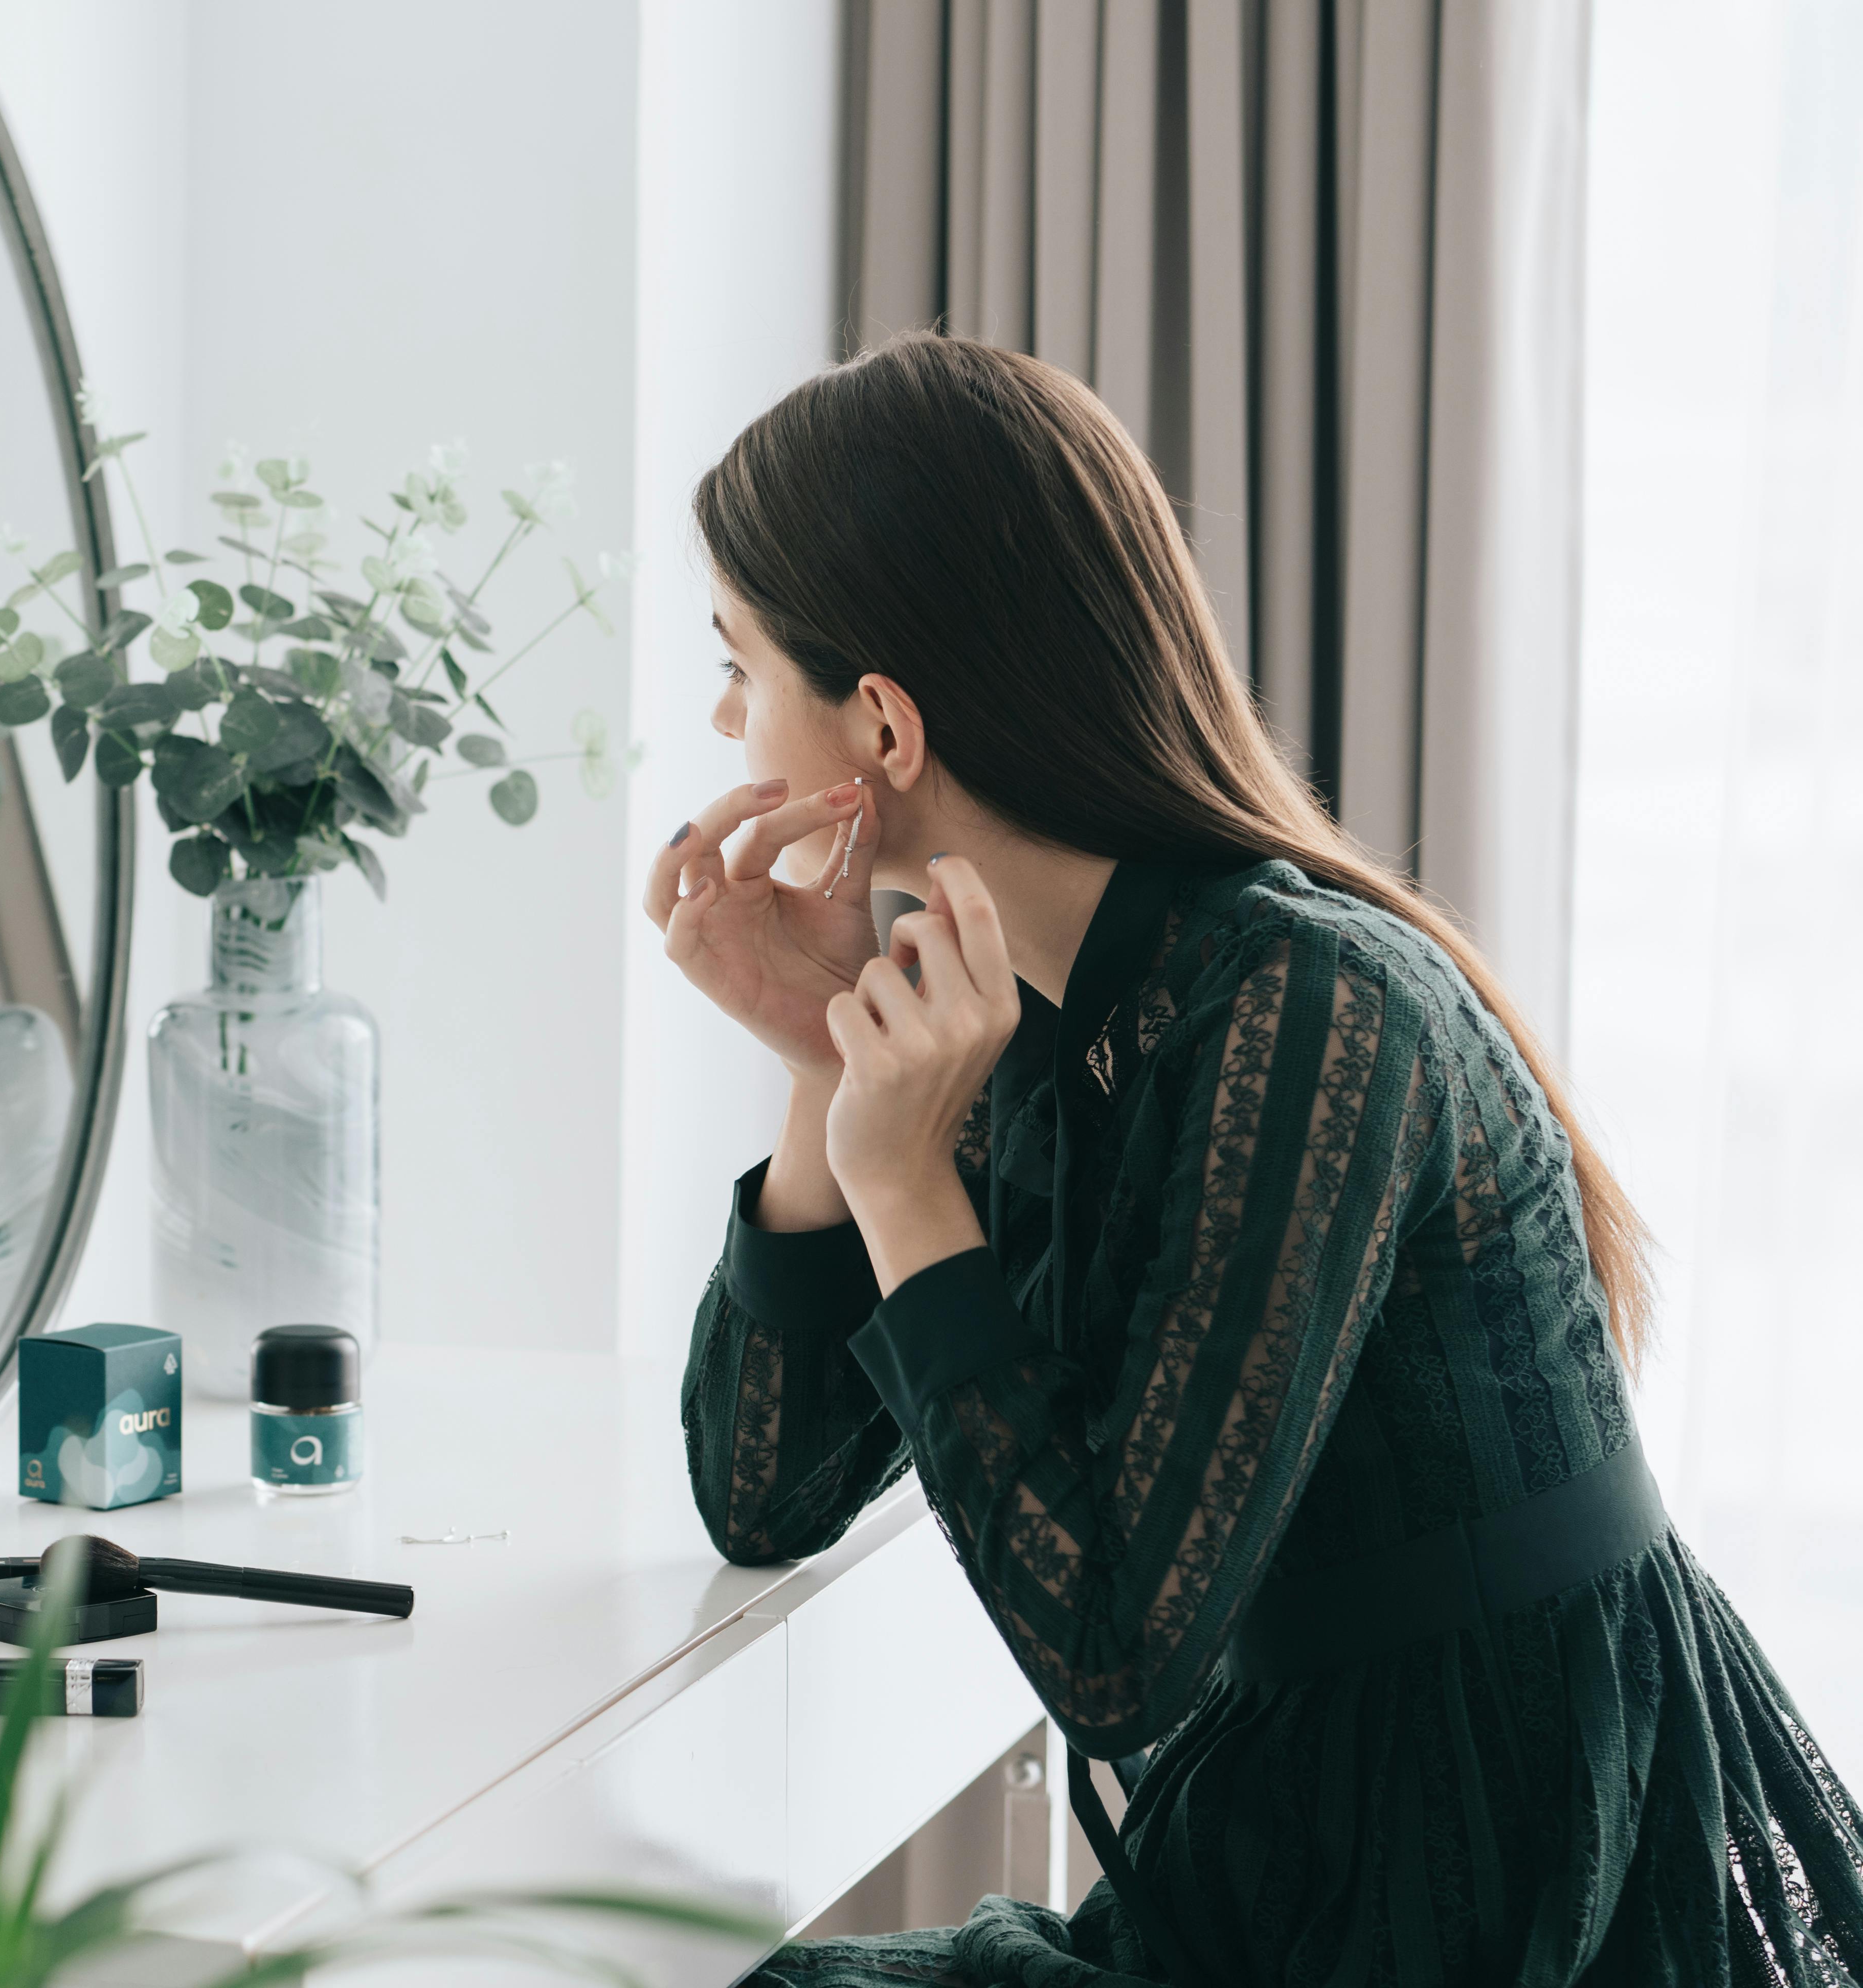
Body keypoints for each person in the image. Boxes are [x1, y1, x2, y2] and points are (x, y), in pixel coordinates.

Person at [649, 333, 1861, 1986]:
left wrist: (912, 1182)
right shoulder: (1023, 1010)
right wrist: (823, 1055)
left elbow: (1112, 1661)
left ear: (881, 725)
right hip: (1306, 1845)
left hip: (1491, 1897)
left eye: (738, 666)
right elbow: (764, 1495)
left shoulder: (1305, 1007)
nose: (728, 723)